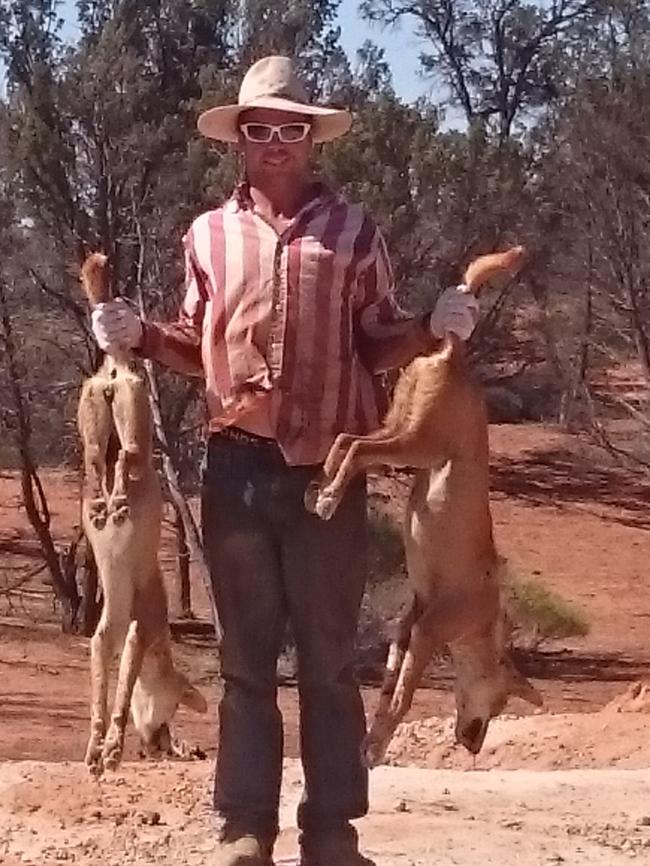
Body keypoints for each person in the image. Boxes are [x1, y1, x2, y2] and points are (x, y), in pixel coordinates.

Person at [91, 55, 479, 866]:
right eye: (260, 128)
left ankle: (332, 832)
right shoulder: (207, 234)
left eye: (291, 128)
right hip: (236, 470)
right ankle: (244, 829)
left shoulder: (354, 232)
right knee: (244, 661)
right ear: (239, 139)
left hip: (328, 478)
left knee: (331, 662)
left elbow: (378, 339)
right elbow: (195, 346)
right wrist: (138, 337)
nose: (276, 141)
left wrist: (432, 325)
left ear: (312, 139)